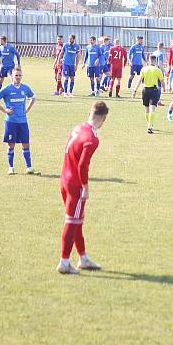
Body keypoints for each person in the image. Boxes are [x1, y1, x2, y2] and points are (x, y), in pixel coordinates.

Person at [57, 101, 109, 274]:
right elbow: (82, 166)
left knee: (77, 220)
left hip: (64, 179)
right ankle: (64, 262)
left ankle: (83, 258)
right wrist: (85, 187)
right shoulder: (92, 139)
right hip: (75, 184)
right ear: (103, 119)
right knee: (72, 221)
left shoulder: (77, 128)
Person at [0, 67, 40, 175]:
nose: (17, 77)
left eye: (19, 75)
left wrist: (27, 109)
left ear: (21, 76)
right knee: (11, 145)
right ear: (12, 76)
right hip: (11, 122)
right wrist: (5, 110)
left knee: (26, 144)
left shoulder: (25, 88)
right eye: (16, 75)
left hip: (23, 121)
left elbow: (33, 97)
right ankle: (11, 168)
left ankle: (29, 167)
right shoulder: (7, 89)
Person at [132, 55, 165, 134]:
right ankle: (150, 126)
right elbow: (162, 81)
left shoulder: (144, 69)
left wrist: (134, 91)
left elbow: (139, 81)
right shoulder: (157, 70)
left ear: (148, 60)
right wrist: (164, 88)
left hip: (145, 90)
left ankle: (149, 124)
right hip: (154, 90)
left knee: (147, 109)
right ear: (155, 61)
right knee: (152, 109)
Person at [150, 42, 167, 106]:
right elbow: (160, 64)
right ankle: (157, 101)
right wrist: (165, 72)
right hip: (158, 72)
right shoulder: (160, 54)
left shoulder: (154, 52)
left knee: (154, 86)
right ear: (162, 47)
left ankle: (153, 100)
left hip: (153, 71)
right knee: (159, 87)